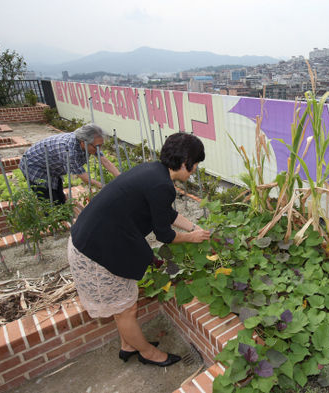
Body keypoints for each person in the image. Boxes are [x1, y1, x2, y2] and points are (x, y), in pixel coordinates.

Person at [67, 132, 211, 367]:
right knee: (126, 310)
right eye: (195, 164)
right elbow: (164, 235)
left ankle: (128, 345)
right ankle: (148, 353)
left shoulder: (153, 171)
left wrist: (195, 228)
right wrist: (191, 238)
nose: (194, 169)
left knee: (126, 307)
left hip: (94, 240)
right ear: (185, 163)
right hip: (94, 253)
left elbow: (165, 212)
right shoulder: (163, 185)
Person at [19, 123, 120, 205]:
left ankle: (62, 218)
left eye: (101, 145)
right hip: (34, 166)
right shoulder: (68, 150)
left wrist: (121, 178)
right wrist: (108, 189)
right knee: (49, 201)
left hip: (52, 169)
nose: (99, 149)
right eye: (98, 146)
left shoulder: (91, 143)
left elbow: (105, 161)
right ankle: (57, 224)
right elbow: (86, 179)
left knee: (60, 197)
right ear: (83, 142)